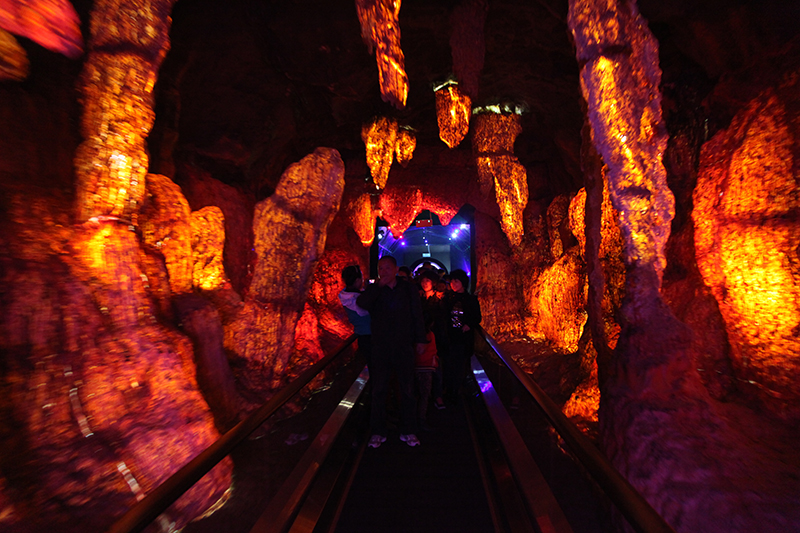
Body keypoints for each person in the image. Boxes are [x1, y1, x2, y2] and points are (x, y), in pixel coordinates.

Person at [357, 256, 428, 448]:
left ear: (396, 269)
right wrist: (377, 287)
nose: (384, 271)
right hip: (380, 346)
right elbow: (362, 303)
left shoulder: (408, 288)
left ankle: (409, 429)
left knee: (407, 389)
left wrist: (421, 339)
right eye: (381, 268)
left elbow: (417, 314)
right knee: (379, 389)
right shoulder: (374, 289)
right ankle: (378, 431)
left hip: (403, 345)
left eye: (388, 268)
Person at [443, 269, 481, 404]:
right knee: (449, 364)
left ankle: (457, 392)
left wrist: (469, 324)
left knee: (459, 365)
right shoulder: (447, 298)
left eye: (456, 281)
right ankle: (450, 390)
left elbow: (477, 317)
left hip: (462, 338)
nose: (453, 284)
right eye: (452, 281)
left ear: (463, 283)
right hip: (449, 337)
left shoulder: (470, 300)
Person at [338, 264, 371, 368]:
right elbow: (366, 313)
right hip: (369, 336)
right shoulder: (358, 299)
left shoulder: (345, 296)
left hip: (361, 335)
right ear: (357, 280)